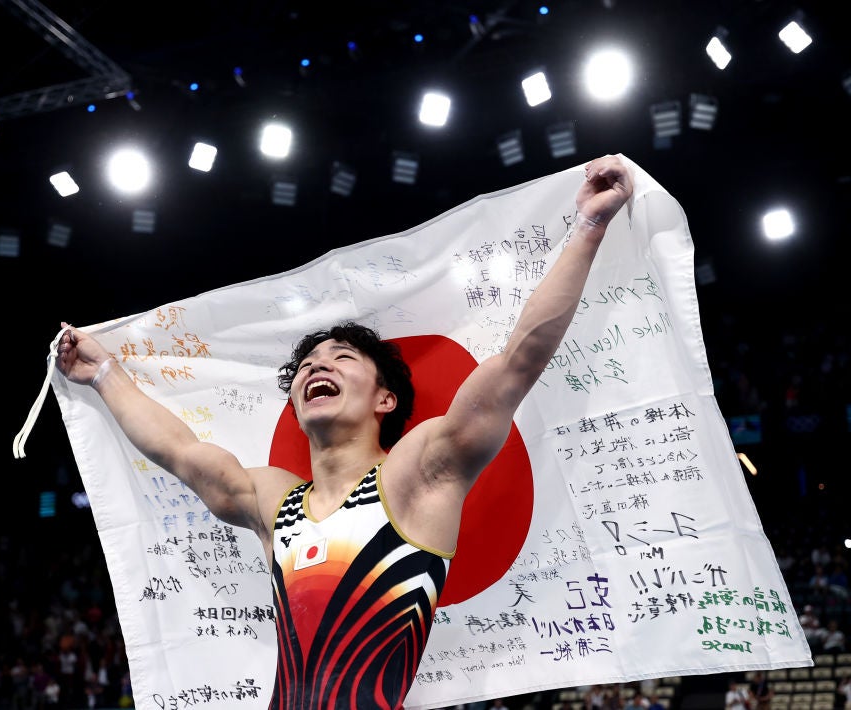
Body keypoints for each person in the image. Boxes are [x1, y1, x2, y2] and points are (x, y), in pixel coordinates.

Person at [55, 155, 634, 710]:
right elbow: (179, 450)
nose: (316, 367)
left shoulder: (421, 471)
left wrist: (589, 222)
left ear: (386, 399)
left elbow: (518, 360)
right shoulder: (272, 499)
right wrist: (103, 373)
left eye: (342, 358)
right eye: (307, 365)